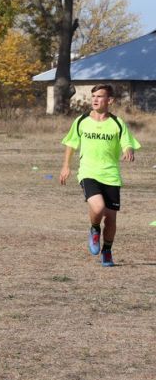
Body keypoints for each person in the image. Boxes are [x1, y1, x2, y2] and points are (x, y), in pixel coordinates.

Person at [59, 84, 140, 267]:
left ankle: (107, 251)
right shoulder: (81, 121)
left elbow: (127, 142)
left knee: (111, 218)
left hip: (111, 176)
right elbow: (71, 144)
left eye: (99, 96)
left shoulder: (118, 123)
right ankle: (95, 229)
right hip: (88, 172)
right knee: (98, 208)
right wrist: (66, 166)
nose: (94, 99)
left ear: (109, 100)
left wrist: (128, 150)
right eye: (93, 96)